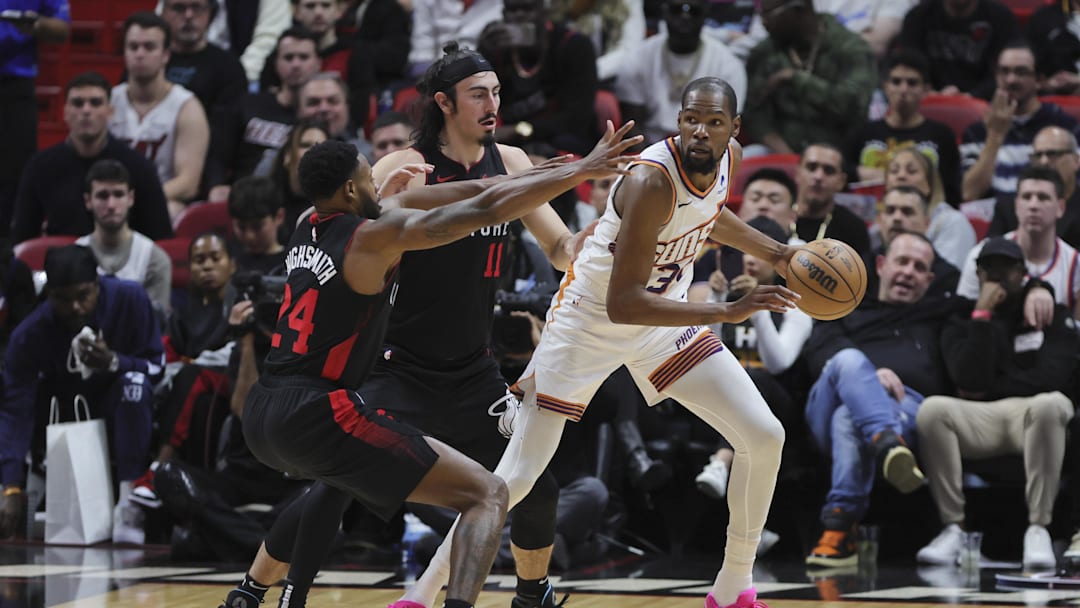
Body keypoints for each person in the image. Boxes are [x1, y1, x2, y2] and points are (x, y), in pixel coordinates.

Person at [409, 77, 799, 608]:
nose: (700, 131)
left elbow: (707, 216)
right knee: (514, 478)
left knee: (764, 435)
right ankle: (420, 595)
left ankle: (733, 587)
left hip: (662, 324)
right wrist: (726, 311)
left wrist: (778, 252)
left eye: (713, 122)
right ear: (677, 120)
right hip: (590, 324)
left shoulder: (724, 158)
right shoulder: (651, 181)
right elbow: (625, 304)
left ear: (735, 129)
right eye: (690, 119)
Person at [217, 128, 637, 608]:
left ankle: (253, 593)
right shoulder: (376, 236)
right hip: (332, 402)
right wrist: (577, 172)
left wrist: (558, 170)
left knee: (337, 487)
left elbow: (477, 188)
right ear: (353, 191)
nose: (381, 187)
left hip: (266, 408)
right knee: (487, 495)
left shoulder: (305, 223)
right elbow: (483, 207)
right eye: (370, 181)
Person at [802, 231, 963, 567]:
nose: (908, 272)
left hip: (906, 410)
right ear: (880, 265)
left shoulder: (939, 313)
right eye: (901, 261)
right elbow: (819, 355)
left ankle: (838, 527)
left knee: (848, 418)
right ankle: (888, 443)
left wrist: (1039, 288)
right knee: (847, 361)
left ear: (930, 280)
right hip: (829, 405)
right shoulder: (845, 304)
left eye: (919, 267)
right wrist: (869, 377)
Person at [915, 237, 1077, 570]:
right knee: (933, 410)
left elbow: (1056, 377)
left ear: (1023, 272)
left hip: (1032, 414)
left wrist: (993, 384)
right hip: (982, 419)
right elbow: (969, 379)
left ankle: (1038, 528)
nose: (1000, 277)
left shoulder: (1050, 313)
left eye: (1008, 269)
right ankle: (953, 528)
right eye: (991, 270)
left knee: (1052, 403)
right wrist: (982, 316)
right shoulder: (962, 318)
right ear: (978, 273)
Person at [0, 245, 164, 542]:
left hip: (120, 406)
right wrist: (10, 485)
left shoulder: (129, 298)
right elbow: (15, 409)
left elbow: (157, 366)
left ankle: (129, 504)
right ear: (48, 293)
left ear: (98, 284)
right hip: (61, 414)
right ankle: (38, 482)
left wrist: (114, 361)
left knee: (135, 383)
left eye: (83, 295)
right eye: (62, 299)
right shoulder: (29, 334)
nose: (75, 307)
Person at [11, 71, 173, 244]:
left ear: (110, 112)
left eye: (95, 103)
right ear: (65, 112)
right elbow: (22, 239)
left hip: (124, 266)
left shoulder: (139, 167)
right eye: (78, 103)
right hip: (60, 265)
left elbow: (160, 238)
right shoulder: (40, 166)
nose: (86, 110)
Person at [112, 11, 210, 219]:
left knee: (171, 209)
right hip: (109, 201)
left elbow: (188, 183)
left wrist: (137, 199)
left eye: (149, 47)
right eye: (133, 47)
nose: (140, 54)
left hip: (160, 201)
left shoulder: (187, 107)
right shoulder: (108, 102)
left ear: (166, 54)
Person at [744, 0, 877, 154]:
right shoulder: (765, 52)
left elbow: (853, 106)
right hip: (782, 150)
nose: (764, 23)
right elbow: (753, 113)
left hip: (839, 153)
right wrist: (785, 153)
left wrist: (796, 79)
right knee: (749, 156)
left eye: (768, 15)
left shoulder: (851, 48)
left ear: (798, 10)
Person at [960, 43, 1080, 201]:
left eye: (1021, 72)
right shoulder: (977, 131)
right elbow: (969, 193)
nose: (1011, 80)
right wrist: (994, 137)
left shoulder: (1064, 126)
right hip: (996, 217)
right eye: (1004, 71)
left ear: (1039, 80)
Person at [476, 0, 599, 155]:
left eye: (527, 8)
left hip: (563, 141)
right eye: (512, 10)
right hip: (509, 143)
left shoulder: (573, 45)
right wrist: (481, 55)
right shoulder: (497, 49)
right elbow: (476, 99)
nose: (519, 15)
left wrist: (520, 129)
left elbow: (577, 117)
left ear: (543, 11)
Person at [614, 0, 745, 143]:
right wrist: (653, 161)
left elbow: (725, 130)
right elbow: (632, 126)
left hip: (705, 150)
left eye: (693, 11)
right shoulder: (638, 58)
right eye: (676, 10)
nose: (685, 17)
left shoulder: (728, 65)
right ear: (664, 12)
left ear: (705, 14)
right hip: (649, 150)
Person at [844, 48, 961, 204]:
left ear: (925, 90)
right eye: (896, 82)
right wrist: (859, 172)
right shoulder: (862, 133)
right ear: (885, 87)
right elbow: (840, 178)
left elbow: (951, 192)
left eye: (912, 83)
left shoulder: (942, 135)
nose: (903, 90)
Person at [0, 0, 69, 237]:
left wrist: (35, 24)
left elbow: (62, 29)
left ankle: (10, 254)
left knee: (16, 176)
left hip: (15, 86)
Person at [75, 159, 174, 314]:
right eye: (102, 196)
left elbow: (156, 326)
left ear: (131, 198)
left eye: (119, 194)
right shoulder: (74, 255)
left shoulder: (154, 259)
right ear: (88, 201)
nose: (111, 205)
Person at [897, 0, 1018, 98]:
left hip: (986, 103)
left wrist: (972, 96)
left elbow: (1005, 71)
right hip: (926, 100)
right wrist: (931, 93)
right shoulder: (917, 16)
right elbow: (909, 65)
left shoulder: (1001, 17)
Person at [883, 145, 975, 269]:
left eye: (912, 171)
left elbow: (949, 275)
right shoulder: (880, 222)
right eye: (894, 171)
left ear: (929, 184)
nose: (901, 176)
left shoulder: (953, 222)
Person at [160, 0, 247, 128]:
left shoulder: (229, 68)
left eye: (197, 7)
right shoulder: (149, 58)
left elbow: (225, 132)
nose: (188, 15)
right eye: (179, 8)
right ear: (163, 13)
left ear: (210, 12)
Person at [988, 126, 1080, 248]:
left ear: (1076, 161)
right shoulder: (1008, 207)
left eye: (1052, 154)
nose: (1044, 162)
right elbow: (991, 256)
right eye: (1038, 155)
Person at [790, 143, 871, 255]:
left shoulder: (854, 229)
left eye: (829, 170)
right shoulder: (776, 215)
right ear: (797, 173)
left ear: (841, 181)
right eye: (811, 167)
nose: (818, 176)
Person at [266, 118, 331, 234]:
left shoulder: (335, 207)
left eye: (322, 146)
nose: (313, 151)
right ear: (287, 155)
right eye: (305, 145)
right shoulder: (266, 199)